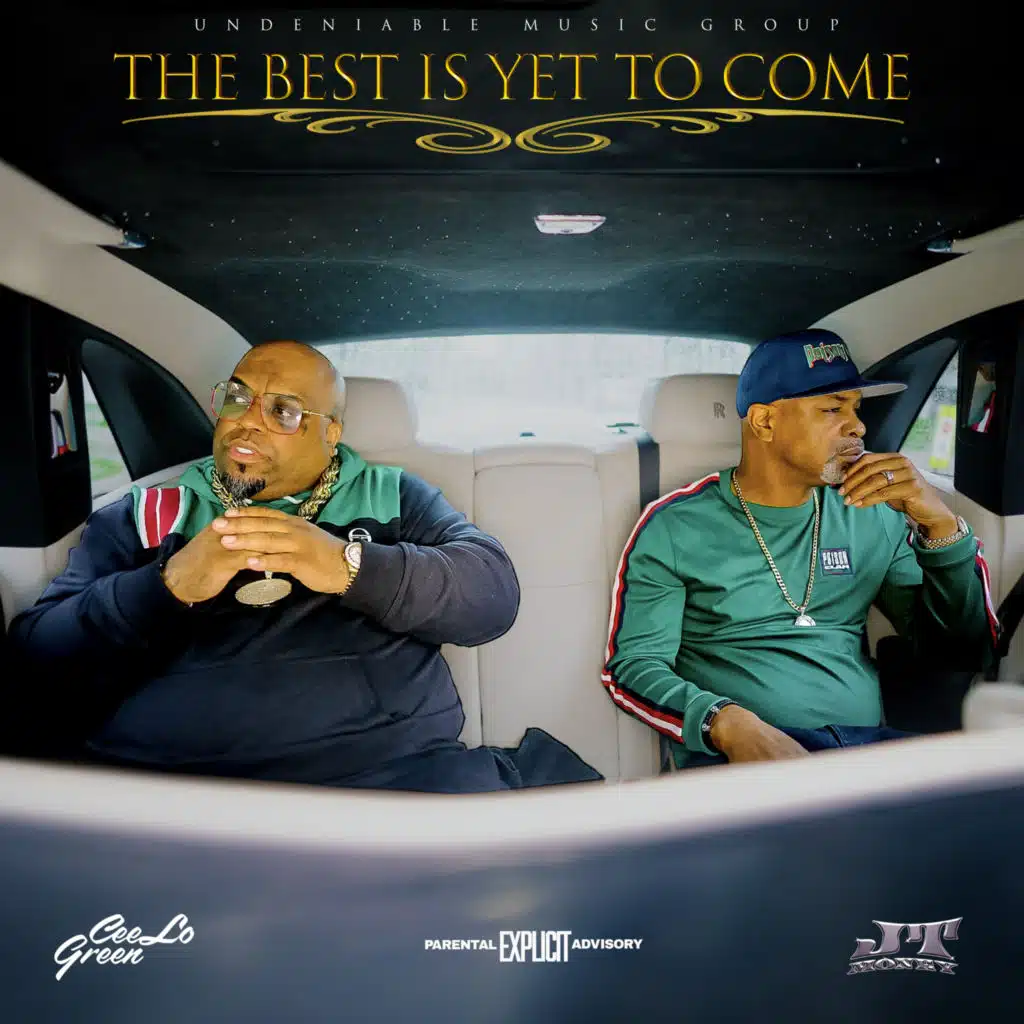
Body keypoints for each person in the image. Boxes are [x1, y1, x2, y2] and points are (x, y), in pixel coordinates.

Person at [8, 341, 601, 792]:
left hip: (390, 783)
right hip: (171, 794)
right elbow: (38, 660)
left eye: (284, 411)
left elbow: (491, 596)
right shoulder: (146, 514)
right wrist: (167, 586)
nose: (248, 421)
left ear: (331, 432)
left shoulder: (392, 498)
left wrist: (347, 565)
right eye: (237, 398)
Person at [602, 328, 1001, 767]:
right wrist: (725, 723)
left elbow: (962, 652)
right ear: (764, 422)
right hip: (744, 759)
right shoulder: (675, 526)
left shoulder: (871, 512)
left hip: (869, 752)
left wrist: (940, 527)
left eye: (856, 408)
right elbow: (633, 668)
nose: (858, 426)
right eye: (832, 409)